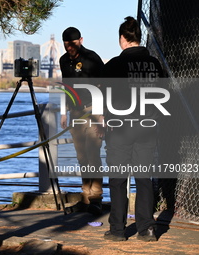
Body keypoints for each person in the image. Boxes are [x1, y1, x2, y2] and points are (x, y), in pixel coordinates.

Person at [102, 16, 164, 241]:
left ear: (122, 39)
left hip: (120, 129)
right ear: (138, 38)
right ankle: (146, 229)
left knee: (118, 180)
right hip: (147, 128)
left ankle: (117, 230)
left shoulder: (115, 65)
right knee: (144, 178)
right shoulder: (155, 65)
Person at [59, 27, 104, 215]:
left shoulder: (92, 58)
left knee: (93, 154)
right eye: (67, 44)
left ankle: (96, 199)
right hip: (75, 113)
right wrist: (63, 112)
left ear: (81, 40)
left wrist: (102, 115)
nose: (70, 47)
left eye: (73, 43)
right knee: (81, 157)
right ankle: (85, 197)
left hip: (93, 111)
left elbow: (105, 85)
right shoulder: (63, 60)